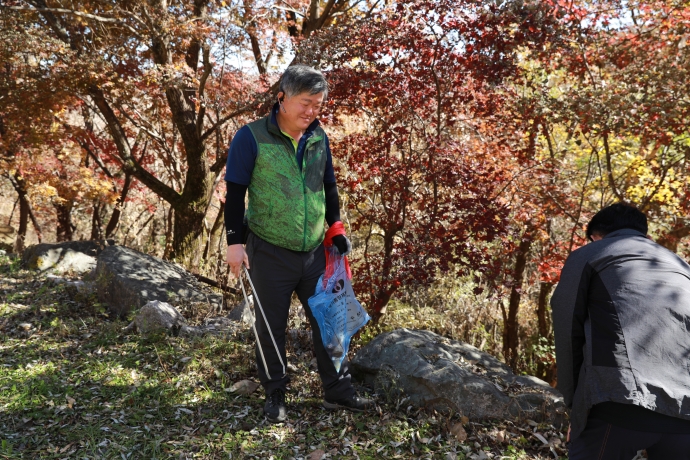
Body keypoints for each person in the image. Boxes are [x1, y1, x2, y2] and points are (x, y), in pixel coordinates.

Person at [224, 65, 372, 423]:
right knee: (270, 325)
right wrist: (234, 242)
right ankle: (275, 393)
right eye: (305, 103)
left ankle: (338, 391)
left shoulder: (319, 137)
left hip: (315, 251)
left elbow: (329, 186)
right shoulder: (251, 137)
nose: (311, 112)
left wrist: (334, 226)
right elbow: (234, 194)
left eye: (318, 104)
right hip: (269, 248)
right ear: (282, 98)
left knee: (329, 320)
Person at [551, 202, 690, 459]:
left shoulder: (591, 254)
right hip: (684, 410)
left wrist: (576, 409)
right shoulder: (681, 266)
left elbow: (567, 328)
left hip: (618, 402)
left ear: (596, 236)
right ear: (645, 235)